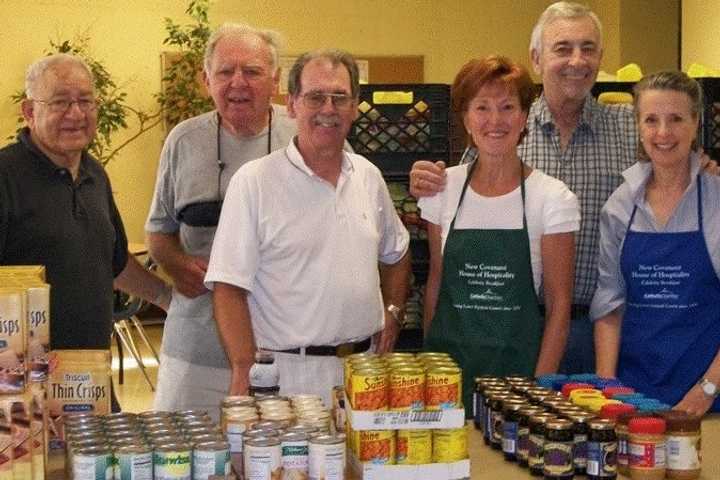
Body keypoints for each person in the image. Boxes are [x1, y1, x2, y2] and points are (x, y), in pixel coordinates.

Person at [410, 1, 637, 374]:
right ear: (536, 58)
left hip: (598, 329)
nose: (577, 61)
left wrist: (704, 165)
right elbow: (439, 277)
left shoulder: (632, 131)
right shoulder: (471, 163)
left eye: (588, 48)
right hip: (495, 337)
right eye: (563, 48)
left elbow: (676, 163)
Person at [204, 49, 411, 405]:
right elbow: (228, 288)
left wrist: (393, 311)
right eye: (315, 97)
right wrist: (243, 371)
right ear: (293, 104)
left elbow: (397, 252)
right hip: (286, 376)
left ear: (355, 106)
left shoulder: (368, 176)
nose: (328, 109)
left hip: (365, 370)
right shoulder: (254, 182)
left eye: (340, 98)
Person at [0, 54, 170, 409]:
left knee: (98, 463)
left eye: (85, 101)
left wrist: (170, 298)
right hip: (21, 388)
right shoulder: (5, 176)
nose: (76, 114)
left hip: (88, 379)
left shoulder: (95, 175)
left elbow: (114, 261)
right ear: (29, 111)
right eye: (61, 102)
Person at [145, 23, 298, 415]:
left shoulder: (305, 135)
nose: (238, 83)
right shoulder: (183, 140)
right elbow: (159, 234)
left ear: (276, 80)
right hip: (195, 347)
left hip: (283, 351)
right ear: (206, 79)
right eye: (225, 72)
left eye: (252, 71)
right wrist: (179, 265)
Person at [420, 55, 579, 416]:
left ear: (524, 117)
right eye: (482, 107)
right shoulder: (443, 189)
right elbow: (435, 284)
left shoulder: (552, 198)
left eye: (508, 107)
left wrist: (540, 391)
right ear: (466, 117)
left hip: (518, 379)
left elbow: (559, 306)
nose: (495, 121)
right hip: (448, 376)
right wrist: (431, 368)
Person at [591, 71, 720, 416]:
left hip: (709, 399)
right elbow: (609, 306)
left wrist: (706, 390)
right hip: (635, 398)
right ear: (638, 126)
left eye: (676, 119)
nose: (663, 133)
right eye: (651, 120)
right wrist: (607, 389)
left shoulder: (716, 198)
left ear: (695, 124)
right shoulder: (620, 206)